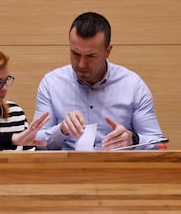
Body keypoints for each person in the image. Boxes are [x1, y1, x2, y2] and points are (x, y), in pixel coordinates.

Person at [34, 12, 164, 150]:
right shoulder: (51, 84)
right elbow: (35, 142)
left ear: (108, 51)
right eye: (75, 54)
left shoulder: (133, 86)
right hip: (67, 168)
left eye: (91, 56)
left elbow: (159, 143)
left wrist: (133, 139)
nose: (82, 64)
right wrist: (61, 130)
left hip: (117, 168)